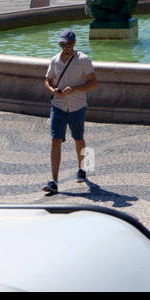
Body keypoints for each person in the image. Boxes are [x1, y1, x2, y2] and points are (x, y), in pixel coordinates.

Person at [43, 30, 97, 194]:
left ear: (73, 43)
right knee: (55, 140)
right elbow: (47, 80)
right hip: (58, 105)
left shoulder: (83, 60)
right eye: (62, 44)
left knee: (79, 138)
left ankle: (84, 168)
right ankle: (54, 181)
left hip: (77, 105)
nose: (64, 47)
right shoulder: (54, 60)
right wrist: (53, 90)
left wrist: (74, 89)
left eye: (67, 44)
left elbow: (93, 83)